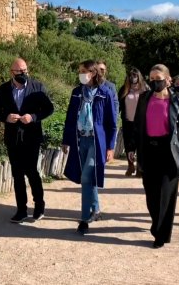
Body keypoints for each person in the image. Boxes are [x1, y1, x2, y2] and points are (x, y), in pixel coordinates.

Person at [133, 64, 179, 248]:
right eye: (151, 79)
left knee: (166, 195)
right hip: (149, 150)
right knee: (151, 193)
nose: (155, 82)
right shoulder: (144, 98)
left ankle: (161, 234)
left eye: (158, 78)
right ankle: (157, 225)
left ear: (168, 80)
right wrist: (131, 147)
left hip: (170, 152)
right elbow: (137, 125)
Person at [0, 58, 55, 223]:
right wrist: (6, 117)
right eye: (19, 71)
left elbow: (49, 109)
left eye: (25, 70)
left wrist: (32, 117)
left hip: (32, 137)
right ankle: (21, 210)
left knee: (32, 172)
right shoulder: (4, 89)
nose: (23, 74)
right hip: (13, 138)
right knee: (17, 174)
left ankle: (39, 206)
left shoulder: (37, 87)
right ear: (12, 73)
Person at [61, 60, 117, 235]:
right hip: (80, 140)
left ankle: (84, 219)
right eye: (80, 71)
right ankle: (96, 209)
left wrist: (110, 147)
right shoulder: (76, 92)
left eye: (84, 71)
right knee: (89, 176)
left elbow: (112, 124)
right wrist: (66, 140)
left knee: (86, 177)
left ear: (93, 73)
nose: (81, 74)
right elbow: (70, 118)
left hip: (96, 142)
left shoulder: (105, 93)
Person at [118, 67, 149, 177]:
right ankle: (130, 165)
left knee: (141, 145)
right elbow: (118, 105)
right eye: (131, 76)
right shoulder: (124, 89)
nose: (133, 78)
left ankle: (140, 168)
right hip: (128, 122)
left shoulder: (145, 88)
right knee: (129, 145)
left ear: (139, 76)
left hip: (142, 123)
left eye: (135, 76)